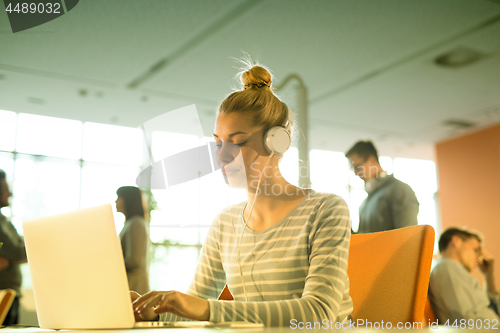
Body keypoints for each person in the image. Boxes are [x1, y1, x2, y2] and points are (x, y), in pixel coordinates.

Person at [131, 64, 353, 326]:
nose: (221, 156)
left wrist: (206, 309)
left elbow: (319, 313)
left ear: (276, 141)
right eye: (217, 143)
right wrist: (150, 311)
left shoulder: (325, 210)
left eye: (236, 142)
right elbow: (193, 307)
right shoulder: (225, 224)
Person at [345, 141, 419, 233]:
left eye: (357, 167)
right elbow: (366, 238)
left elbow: (406, 237)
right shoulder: (368, 200)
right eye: (353, 169)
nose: (356, 173)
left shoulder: (399, 189)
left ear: (372, 160)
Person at [429, 227, 499, 321]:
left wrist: (488, 276)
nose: (478, 259)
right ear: (456, 241)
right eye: (476, 250)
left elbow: (491, 310)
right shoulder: (448, 267)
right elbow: (471, 320)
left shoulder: (451, 270)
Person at [0, 169, 27, 325]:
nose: (9, 194)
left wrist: (9, 261)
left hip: (10, 294)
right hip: (4, 293)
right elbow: (18, 252)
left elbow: (18, 250)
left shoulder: (4, 220)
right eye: (6, 190)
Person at [116, 186, 150, 295]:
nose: (116, 201)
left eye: (118, 197)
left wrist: (113, 264)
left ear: (127, 200)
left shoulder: (136, 223)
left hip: (135, 287)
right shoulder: (132, 223)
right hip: (132, 286)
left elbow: (135, 260)